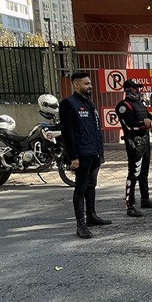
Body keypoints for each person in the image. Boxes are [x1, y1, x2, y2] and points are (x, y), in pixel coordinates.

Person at [58, 72, 111, 239]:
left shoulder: (90, 103)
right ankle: (80, 223)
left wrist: (100, 151)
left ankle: (92, 216)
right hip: (81, 154)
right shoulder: (68, 104)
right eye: (86, 83)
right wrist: (73, 157)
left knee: (91, 185)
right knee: (80, 188)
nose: (90, 86)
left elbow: (95, 129)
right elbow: (67, 133)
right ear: (76, 85)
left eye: (90, 83)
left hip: (94, 152)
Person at [115, 79, 152, 217]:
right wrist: (144, 124)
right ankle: (130, 205)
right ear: (128, 90)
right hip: (134, 144)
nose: (137, 91)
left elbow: (149, 117)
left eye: (138, 88)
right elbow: (129, 126)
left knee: (144, 173)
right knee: (133, 174)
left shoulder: (140, 104)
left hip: (145, 143)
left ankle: (145, 199)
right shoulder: (123, 106)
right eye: (135, 89)